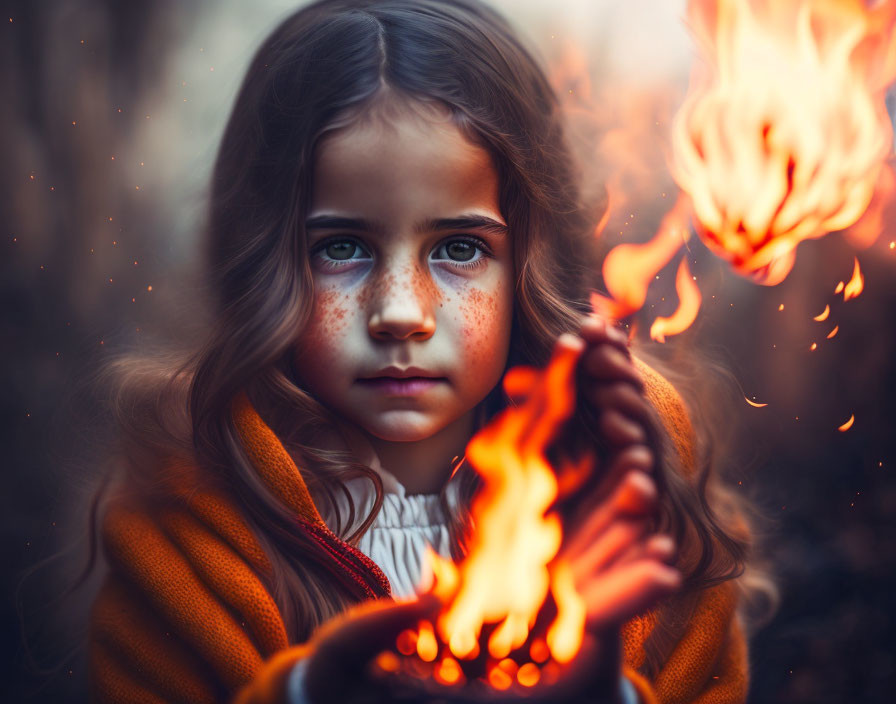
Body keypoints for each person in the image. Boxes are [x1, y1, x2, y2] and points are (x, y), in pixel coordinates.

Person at [88, 1, 767, 702]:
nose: (401, 313)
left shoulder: (632, 497)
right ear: (264, 262)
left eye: (459, 248)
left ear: (529, 265)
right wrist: (310, 692)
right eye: (341, 248)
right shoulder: (187, 528)